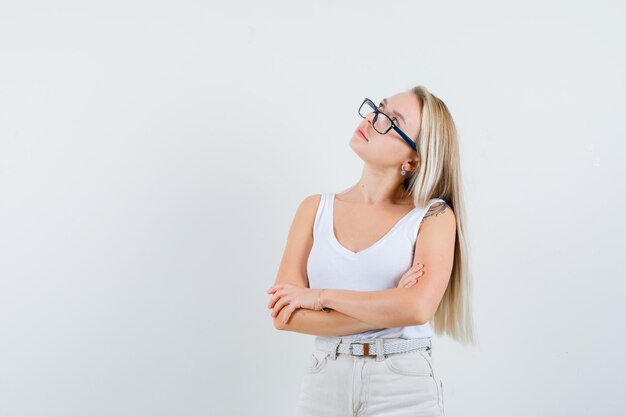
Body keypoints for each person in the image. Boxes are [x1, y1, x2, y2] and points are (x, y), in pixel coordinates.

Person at [266, 85, 476, 417]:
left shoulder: (433, 216)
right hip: (325, 378)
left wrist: (321, 297)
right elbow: (284, 315)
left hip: (402, 383)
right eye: (378, 109)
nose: (373, 119)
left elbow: (417, 308)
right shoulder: (313, 209)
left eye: (391, 121)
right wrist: (390, 305)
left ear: (413, 158)